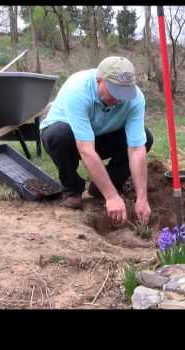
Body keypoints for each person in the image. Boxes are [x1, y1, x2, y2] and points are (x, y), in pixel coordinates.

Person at [40, 56, 153, 225]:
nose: (119, 99)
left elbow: (136, 149)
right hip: (70, 137)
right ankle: (72, 189)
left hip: (103, 135)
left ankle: (104, 186)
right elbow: (85, 148)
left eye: (124, 93)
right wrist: (112, 197)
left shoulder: (135, 99)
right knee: (58, 135)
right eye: (115, 92)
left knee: (145, 138)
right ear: (99, 80)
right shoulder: (78, 89)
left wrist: (142, 198)